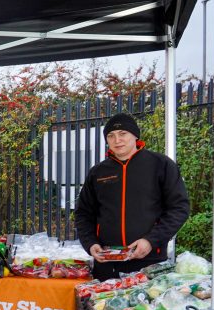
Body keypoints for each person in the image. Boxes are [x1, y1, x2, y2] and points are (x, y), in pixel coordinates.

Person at [75, 112, 190, 280]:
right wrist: (90, 243)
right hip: (107, 263)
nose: (117, 140)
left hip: (149, 261)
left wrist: (151, 241)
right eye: (111, 135)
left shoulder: (160, 164)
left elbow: (179, 208)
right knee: (102, 306)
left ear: (135, 136)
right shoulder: (98, 172)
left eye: (123, 134)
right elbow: (83, 213)